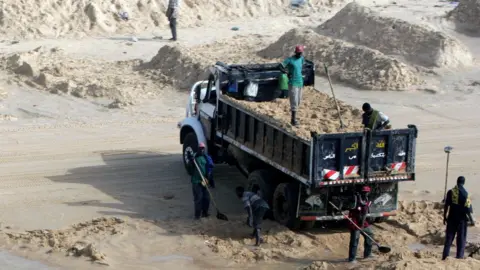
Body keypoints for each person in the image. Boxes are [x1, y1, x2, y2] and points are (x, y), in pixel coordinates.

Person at [442, 176, 475, 260]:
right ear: (463, 183)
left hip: (452, 218)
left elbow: (446, 205)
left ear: (457, 182)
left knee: (449, 238)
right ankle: (459, 256)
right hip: (461, 220)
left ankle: (445, 256)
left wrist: (444, 216)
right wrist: (472, 221)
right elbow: (468, 209)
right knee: (461, 239)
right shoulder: (465, 193)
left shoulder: (450, 192)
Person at [348, 186, 374, 263]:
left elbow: (365, 213)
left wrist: (363, 224)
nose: (365, 193)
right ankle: (352, 258)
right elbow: (350, 208)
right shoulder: (355, 199)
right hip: (355, 222)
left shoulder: (367, 200)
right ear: (361, 192)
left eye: (367, 192)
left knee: (370, 234)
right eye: (364, 192)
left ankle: (367, 254)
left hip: (363, 222)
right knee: (355, 240)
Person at [282, 45, 305, 126]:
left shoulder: (302, 59)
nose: (300, 54)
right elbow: (281, 66)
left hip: (300, 82)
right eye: (299, 53)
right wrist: (287, 73)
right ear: (296, 52)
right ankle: (293, 119)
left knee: (298, 101)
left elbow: (301, 67)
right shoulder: (290, 60)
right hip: (293, 83)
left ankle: (294, 116)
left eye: (301, 53)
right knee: (294, 101)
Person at [188, 142, 212, 219]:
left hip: (204, 181)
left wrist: (208, 176)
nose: (202, 150)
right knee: (198, 198)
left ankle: (205, 212)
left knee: (207, 197)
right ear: (198, 148)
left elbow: (210, 167)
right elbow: (190, 170)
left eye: (203, 148)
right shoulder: (194, 158)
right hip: (196, 182)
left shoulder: (206, 157)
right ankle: (197, 215)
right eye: (200, 148)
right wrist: (191, 162)